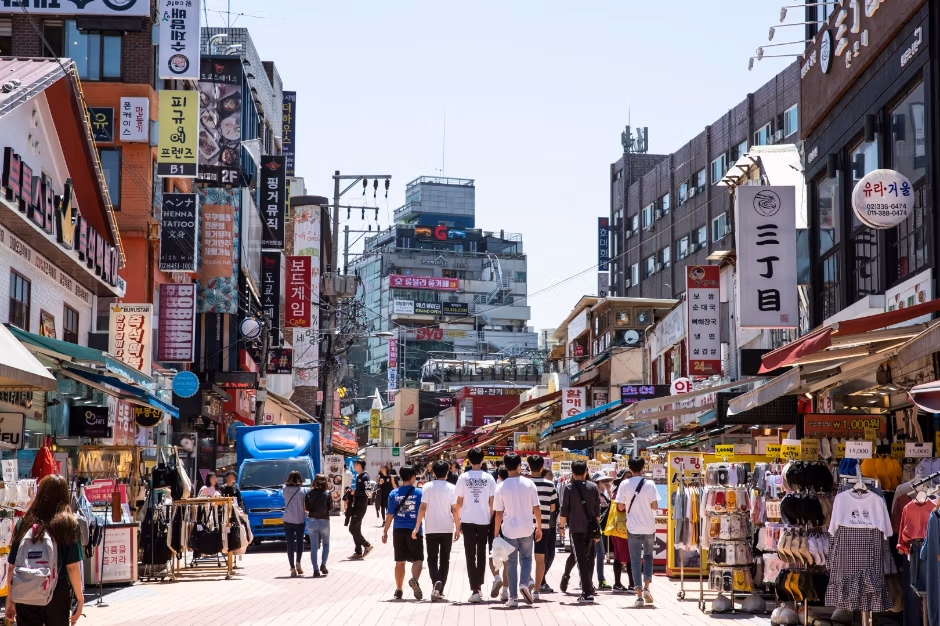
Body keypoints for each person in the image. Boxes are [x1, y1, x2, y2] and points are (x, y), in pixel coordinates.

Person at [5, 475, 84, 625]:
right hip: (56, 591)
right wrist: (80, 600)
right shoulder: (68, 524)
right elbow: (72, 567)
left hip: (26, 588)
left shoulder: (25, 522)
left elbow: (12, 566)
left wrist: (10, 599)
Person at [493, 453, 541, 608]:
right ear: (519, 466)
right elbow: (536, 507)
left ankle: (513, 597)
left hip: (509, 530)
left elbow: (498, 513)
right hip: (527, 528)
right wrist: (539, 527)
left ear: (506, 467)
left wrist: (495, 532)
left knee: (511, 562)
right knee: (526, 558)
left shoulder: (501, 487)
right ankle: (524, 584)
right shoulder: (529, 484)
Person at [453, 447, 497, 604]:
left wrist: (458, 522)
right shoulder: (489, 478)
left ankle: (475, 589)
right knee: (482, 552)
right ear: (483, 459)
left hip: (468, 520)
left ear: (468, 460)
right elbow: (492, 502)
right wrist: (489, 517)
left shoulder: (463, 478)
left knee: (470, 554)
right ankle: (479, 586)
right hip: (484, 521)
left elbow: (458, 502)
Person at [615, 457, 661, 607]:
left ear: (630, 469)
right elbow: (655, 506)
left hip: (633, 527)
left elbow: (620, 507)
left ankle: (639, 596)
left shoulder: (624, 484)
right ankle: (647, 587)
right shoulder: (650, 483)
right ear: (643, 468)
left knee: (635, 560)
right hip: (649, 526)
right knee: (648, 557)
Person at [413, 460, 456, 602]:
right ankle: (439, 589)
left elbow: (423, 507)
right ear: (447, 473)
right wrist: (458, 526)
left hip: (431, 527)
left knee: (432, 559)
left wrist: (417, 526)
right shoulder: (452, 487)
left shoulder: (427, 486)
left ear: (433, 473)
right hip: (447, 527)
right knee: (445, 559)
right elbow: (455, 509)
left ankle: (436, 582)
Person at [559, 460, 601, 603]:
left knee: (581, 560)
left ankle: (587, 592)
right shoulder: (593, 487)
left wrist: (561, 527)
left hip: (576, 529)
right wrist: (597, 530)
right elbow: (597, 511)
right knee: (587, 558)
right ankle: (588, 589)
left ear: (572, 472)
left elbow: (564, 510)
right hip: (590, 529)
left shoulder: (569, 488)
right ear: (585, 472)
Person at [382, 465, 424, 601]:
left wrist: (385, 531)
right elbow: (424, 511)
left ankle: (399, 590)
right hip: (414, 530)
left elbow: (390, 514)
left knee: (400, 562)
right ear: (413, 477)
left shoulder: (393, 493)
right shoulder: (420, 493)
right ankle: (414, 580)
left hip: (398, 530)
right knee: (417, 559)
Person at [528, 455, 558, 601]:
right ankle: (537, 589)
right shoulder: (550, 485)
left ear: (529, 467)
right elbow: (553, 508)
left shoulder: (525, 484)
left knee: (525, 557)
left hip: (526, 525)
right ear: (542, 467)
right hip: (544, 526)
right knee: (540, 558)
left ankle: (527, 581)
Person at [608, 473, 635, 592]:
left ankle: (618, 584)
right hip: (622, 528)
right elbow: (620, 507)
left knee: (619, 556)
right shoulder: (621, 490)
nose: (629, 479)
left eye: (630, 477)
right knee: (629, 556)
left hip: (618, 528)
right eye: (627, 477)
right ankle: (631, 584)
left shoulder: (618, 490)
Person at [305, 474, 332, 577]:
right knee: (326, 544)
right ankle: (323, 564)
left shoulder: (309, 493)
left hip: (313, 521)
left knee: (314, 546)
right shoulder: (327, 493)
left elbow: (307, 508)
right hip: (324, 520)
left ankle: (315, 569)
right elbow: (330, 507)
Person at [282, 470, 308, 577]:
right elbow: (305, 505)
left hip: (288, 519)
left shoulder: (284, 489)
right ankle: (298, 563)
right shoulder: (303, 490)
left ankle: (292, 568)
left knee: (290, 544)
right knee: (300, 542)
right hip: (300, 519)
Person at [349, 459, 374, 558]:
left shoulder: (365, 477)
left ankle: (367, 545)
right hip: (357, 505)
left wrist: (355, 493)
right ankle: (358, 551)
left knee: (352, 528)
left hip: (361, 506)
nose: (354, 465)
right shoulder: (359, 476)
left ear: (360, 465)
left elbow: (369, 493)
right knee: (356, 528)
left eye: (355, 464)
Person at [594, 472, 614, 590]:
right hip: (593, 529)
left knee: (600, 554)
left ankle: (600, 579)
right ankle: (588, 579)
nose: (605, 484)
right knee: (594, 554)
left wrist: (609, 491)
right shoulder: (593, 494)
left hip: (599, 528)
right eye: (603, 482)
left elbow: (611, 505)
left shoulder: (602, 495)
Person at [540, 469, 558, 593]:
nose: (550, 479)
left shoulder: (553, 489)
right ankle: (540, 581)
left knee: (550, 555)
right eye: (548, 476)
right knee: (543, 555)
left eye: (551, 477)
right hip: (539, 526)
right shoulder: (536, 488)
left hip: (551, 526)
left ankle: (541, 578)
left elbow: (556, 507)